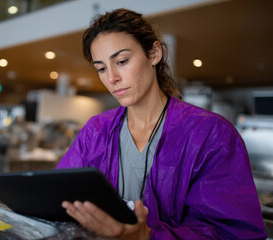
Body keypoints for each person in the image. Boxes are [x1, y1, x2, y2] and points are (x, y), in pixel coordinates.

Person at [57, 8, 267, 240]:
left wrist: (146, 236)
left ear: (154, 54)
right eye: (101, 68)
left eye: (122, 61)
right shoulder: (96, 131)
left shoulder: (211, 135)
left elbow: (231, 233)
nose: (112, 78)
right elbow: (60, 198)